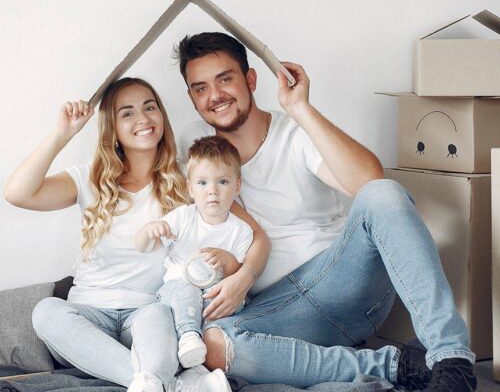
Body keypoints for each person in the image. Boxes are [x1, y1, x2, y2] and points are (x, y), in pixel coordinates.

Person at [173, 32, 478, 392]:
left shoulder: (294, 133)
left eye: (225, 79)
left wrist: (300, 108)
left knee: (382, 194)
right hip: (278, 310)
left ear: (250, 80)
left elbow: (369, 181)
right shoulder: (195, 144)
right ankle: (399, 366)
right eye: (201, 88)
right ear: (192, 98)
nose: (215, 95)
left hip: (340, 282)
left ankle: (451, 360)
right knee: (212, 344)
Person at [3, 77, 269, 392]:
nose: (142, 118)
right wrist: (63, 132)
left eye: (150, 107)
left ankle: (151, 382)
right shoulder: (91, 177)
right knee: (46, 312)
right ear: (112, 127)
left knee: (159, 315)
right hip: (88, 317)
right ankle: (170, 384)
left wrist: (244, 276)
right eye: (127, 113)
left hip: (148, 314)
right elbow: (18, 193)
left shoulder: (188, 179)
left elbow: (257, 238)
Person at [135, 135, 253, 369]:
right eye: (202, 183)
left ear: (237, 186)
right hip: (177, 287)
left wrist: (228, 261)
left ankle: (206, 341)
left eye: (223, 182)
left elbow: (238, 276)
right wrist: (149, 230)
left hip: (210, 293)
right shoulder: (184, 216)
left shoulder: (241, 230)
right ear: (190, 187)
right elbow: (140, 246)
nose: (212, 191)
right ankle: (189, 336)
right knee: (187, 291)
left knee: (228, 300)